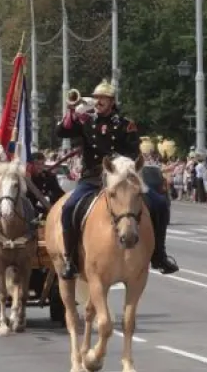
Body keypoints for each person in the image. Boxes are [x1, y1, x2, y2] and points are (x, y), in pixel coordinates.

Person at [55, 79, 179, 280]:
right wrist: (71, 111)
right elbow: (62, 132)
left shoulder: (125, 124)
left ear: (112, 101)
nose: (98, 101)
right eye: (96, 98)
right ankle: (71, 259)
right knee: (69, 208)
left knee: (159, 204)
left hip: (121, 177)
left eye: (103, 98)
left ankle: (159, 255)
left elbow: (132, 150)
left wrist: (116, 162)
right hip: (93, 177)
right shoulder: (86, 122)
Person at [28, 152, 65, 217]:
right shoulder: (28, 179)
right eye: (37, 164)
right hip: (31, 214)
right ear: (31, 165)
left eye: (42, 164)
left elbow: (59, 193)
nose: (40, 167)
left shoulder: (49, 177)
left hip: (48, 212)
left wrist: (50, 197)